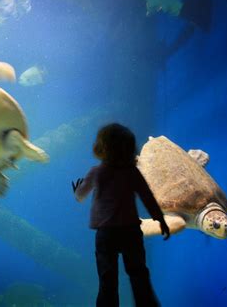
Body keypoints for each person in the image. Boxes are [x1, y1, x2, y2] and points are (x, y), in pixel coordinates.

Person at [72, 123, 170, 307]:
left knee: (107, 282)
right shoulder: (132, 172)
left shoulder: (97, 172)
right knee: (139, 276)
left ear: (102, 148)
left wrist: (77, 191)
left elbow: (81, 196)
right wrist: (160, 220)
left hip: (106, 234)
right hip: (131, 233)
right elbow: (147, 197)